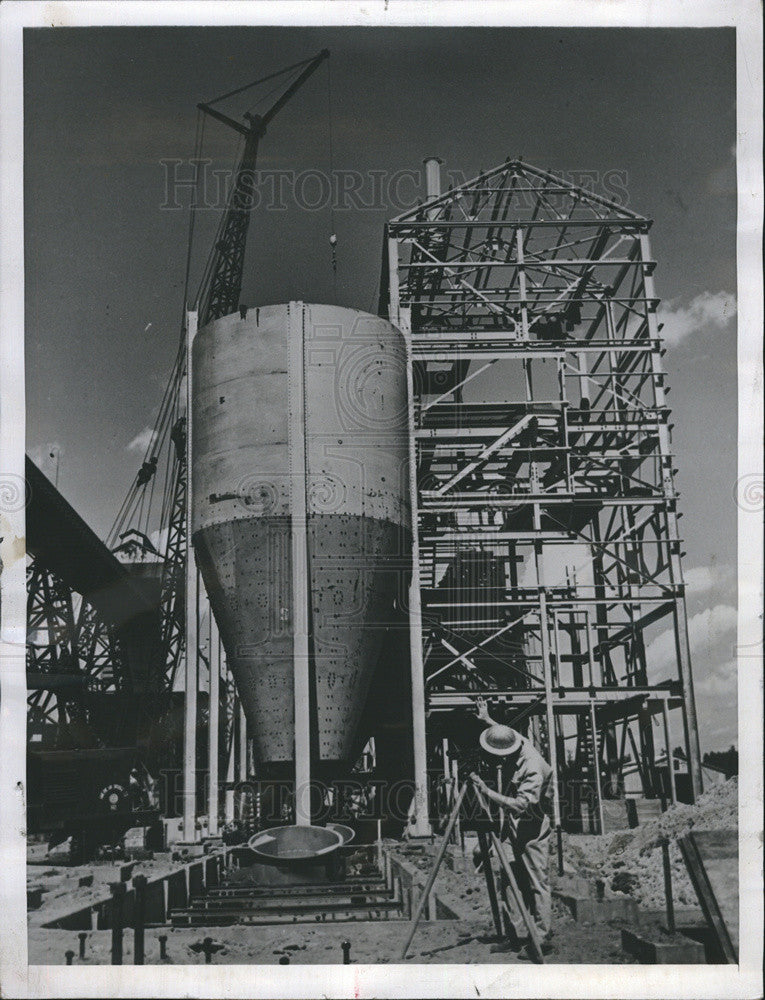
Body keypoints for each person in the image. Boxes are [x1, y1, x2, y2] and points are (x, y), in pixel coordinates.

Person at [470, 697, 553, 954]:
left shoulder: (532, 766)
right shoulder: (516, 741)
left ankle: (540, 939)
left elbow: (521, 805)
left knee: (536, 883)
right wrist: (487, 720)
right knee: (508, 878)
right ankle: (515, 935)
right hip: (512, 826)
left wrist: (487, 792)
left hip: (532, 828)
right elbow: (506, 734)